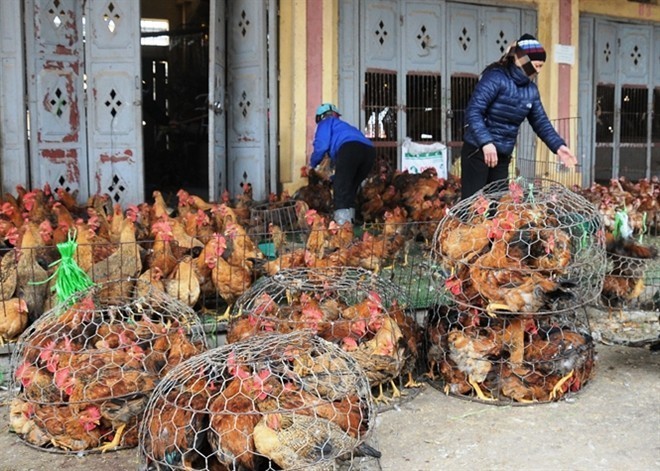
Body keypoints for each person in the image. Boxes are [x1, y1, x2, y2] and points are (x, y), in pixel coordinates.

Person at [460, 33, 577, 199]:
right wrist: (486, 142)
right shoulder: (495, 77)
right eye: (536, 65)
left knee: (496, 206)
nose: (538, 70)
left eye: (541, 66)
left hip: (502, 155)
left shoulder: (531, 90)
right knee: (472, 206)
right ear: (522, 60)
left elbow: (541, 122)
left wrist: (559, 146)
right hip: (478, 151)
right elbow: (474, 111)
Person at [309, 103, 376, 225]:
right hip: (369, 151)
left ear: (320, 117)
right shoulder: (346, 127)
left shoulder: (326, 122)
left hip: (349, 149)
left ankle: (341, 227)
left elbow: (321, 145)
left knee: (340, 188)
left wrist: (313, 163)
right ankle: (350, 222)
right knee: (351, 187)